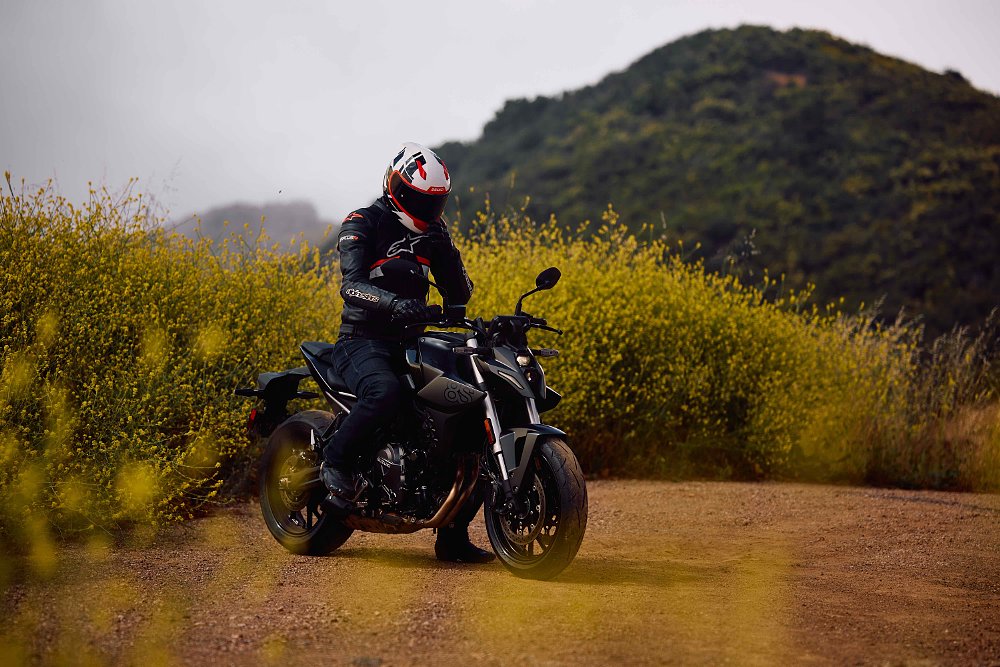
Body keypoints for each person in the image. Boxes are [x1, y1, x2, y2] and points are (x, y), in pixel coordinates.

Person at [320, 141, 494, 564]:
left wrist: (445, 250)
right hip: (361, 341)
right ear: (395, 187)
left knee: (465, 412)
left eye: (435, 202)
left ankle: (452, 538)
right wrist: (394, 304)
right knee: (385, 393)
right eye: (418, 199)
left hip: (414, 344)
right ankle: (335, 461)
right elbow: (351, 286)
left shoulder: (433, 233)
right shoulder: (363, 222)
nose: (426, 209)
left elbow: (460, 294)